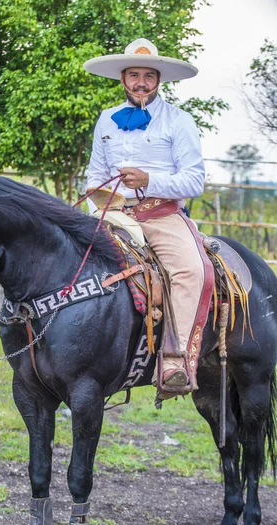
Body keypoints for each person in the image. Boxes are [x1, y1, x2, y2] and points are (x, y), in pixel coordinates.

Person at [84, 38, 214, 397]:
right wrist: (96, 202)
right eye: (134, 75)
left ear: (159, 80)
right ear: (122, 78)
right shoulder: (106, 119)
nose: (141, 82)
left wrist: (149, 180)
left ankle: (176, 362)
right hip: (111, 212)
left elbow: (194, 179)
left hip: (161, 214)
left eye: (148, 75)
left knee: (192, 271)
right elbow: (95, 172)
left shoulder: (179, 120)